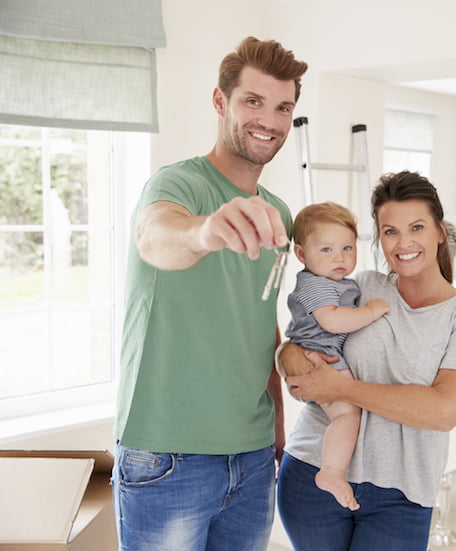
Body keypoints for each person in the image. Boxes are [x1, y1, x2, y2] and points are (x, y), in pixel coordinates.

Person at [112, 36, 307, 551]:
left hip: (252, 454)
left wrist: (277, 426)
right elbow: (156, 236)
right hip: (168, 456)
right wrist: (206, 232)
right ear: (221, 102)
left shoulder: (278, 213)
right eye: (253, 101)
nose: (269, 119)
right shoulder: (176, 186)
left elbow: (259, 320)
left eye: (283, 106)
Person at [276, 171, 456, 551]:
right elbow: (295, 344)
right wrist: (291, 358)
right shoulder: (359, 286)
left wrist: (339, 387)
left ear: (440, 231)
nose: (404, 242)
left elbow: (442, 412)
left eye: (417, 227)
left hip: (402, 493)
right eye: (390, 230)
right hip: (314, 473)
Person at [282, 201, 390, 511]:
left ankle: (333, 470)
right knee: (347, 415)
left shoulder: (336, 282)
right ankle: (331, 471)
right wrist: (369, 312)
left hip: (325, 355)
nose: (339, 257)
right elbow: (332, 321)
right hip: (318, 357)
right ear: (301, 254)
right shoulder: (316, 284)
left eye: (347, 248)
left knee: (348, 413)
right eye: (327, 250)